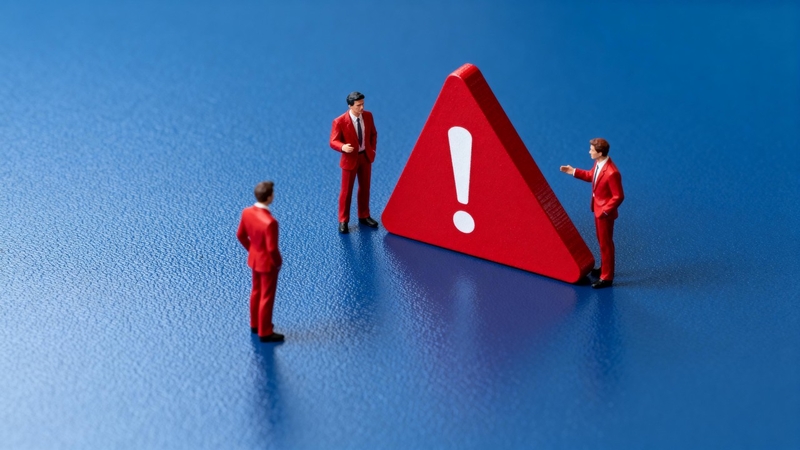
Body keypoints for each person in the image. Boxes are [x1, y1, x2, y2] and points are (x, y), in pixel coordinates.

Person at [560, 138, 624, 289]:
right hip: (597, 209)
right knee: (602, 242)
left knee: (606, 244)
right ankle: (604, 267)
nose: (589, 152)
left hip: (604, 213)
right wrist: (573, 171)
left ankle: (607, 277)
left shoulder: (612, 172)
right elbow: (591, 176)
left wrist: (605, 211)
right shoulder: (599, 163)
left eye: (592, 150)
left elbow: (618, 196)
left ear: (600, 153)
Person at [236, 181, 284, 342]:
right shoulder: (270, 222)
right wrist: (278, 262)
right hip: (267, 264)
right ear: (269, 197)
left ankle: (254, 324)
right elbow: (272, 249)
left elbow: (240, 235)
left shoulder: (247, 212)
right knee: (267, 296)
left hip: (254, 260)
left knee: (256, 292)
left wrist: (252, 251)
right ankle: (265, 331)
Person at [329, 91, 379, 234]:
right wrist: (342, 147)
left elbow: (373, 134)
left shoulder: (368, 116)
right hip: (350, 159)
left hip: (365, 158)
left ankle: (364, 215)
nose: (362, 107)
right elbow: (333, 141)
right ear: (350, 106)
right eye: (358, 105)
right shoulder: (339, 121)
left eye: (363, 104)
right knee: (346, 191)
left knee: (365, 188)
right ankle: (343, 220)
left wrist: (372, 150)